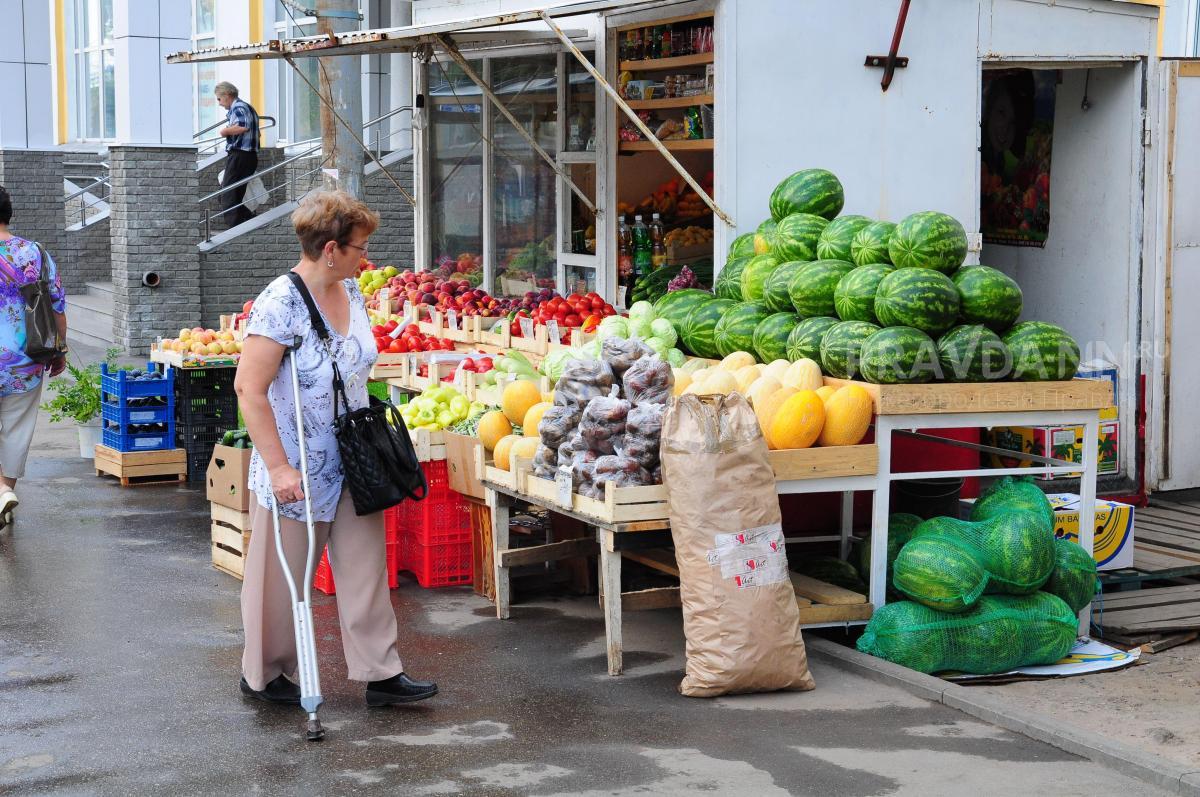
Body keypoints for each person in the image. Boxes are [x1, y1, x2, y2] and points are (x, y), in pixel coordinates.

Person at [234, 190, 436, 707]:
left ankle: (381, 672)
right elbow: (248, 390)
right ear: (330, 248)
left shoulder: (354, 294)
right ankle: (266, 672)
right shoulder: (278, 304)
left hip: (354, 454)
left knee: (366, 566)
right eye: (359, 248)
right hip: (296, 462)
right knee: (283, 577)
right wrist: (278, 467)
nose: (364, 257)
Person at [0, 186, 67, 524]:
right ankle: (4, 489)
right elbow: (55, 304)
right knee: (17, 426)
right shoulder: (34, 252)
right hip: (26, 357)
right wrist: (59, 351)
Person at [215, 81, 260, 227]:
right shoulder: (247, 107)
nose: (219, 103)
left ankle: (235, 227)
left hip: (240, 155)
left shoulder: (239, 107)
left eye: (219, 99)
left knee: (228, 193)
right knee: (234, 193)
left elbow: (243, 126)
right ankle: (246, 220)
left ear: (227, 95)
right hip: (248, 156)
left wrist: (225, 131)